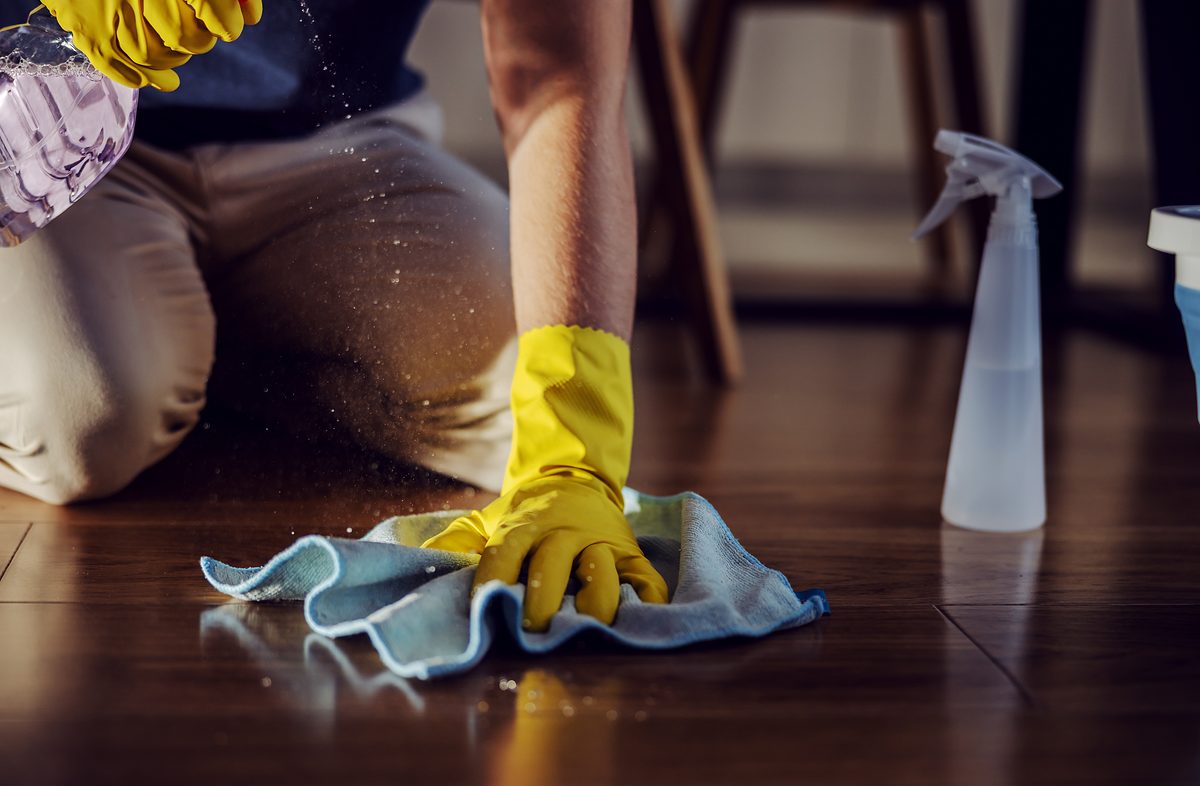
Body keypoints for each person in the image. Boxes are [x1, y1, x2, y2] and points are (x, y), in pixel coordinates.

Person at [0, 0, 667, 631]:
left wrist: (569, 456)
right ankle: (166, 351)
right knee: (79, 421)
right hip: (51, 129)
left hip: (339, 145)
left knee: (519, 411)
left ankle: (194, 351)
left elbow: (557, 66)